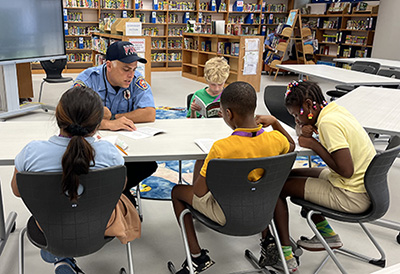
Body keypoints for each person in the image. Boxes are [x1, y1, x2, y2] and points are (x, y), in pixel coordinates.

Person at [11, 86, 141, 274]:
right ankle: (62, 260)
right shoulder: (111, 154)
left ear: (57, 117)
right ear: (98, 124)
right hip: (99, 226)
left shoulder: (31, 153)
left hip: (49, 228)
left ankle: (60, 258)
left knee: (53, 214)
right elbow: (119, 187)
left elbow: (16, 190)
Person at [171, 81, 295, 274]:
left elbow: (199, 192)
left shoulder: (221, 148)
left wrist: (204, 166)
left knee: (177, 191)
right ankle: (267, 240)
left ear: (228, 114)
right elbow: (291, 146)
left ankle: (196, 257)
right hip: (263, 211)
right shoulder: (276, 140)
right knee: (258, 184)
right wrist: (276, 123)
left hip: (228, 215)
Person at [257, 80, 376, 272]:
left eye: (297, 114)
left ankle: (285, 254)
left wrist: (314, 145)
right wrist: (303, 129)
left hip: (350, 194)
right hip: (359, 185)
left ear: (308, 105)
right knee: (288, 176)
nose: (296, 119)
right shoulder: (332, 110)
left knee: (275, 187)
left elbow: (346, 170)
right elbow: (301, 131)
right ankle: (327, 234)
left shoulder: (328, 123)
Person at [73, 41, 157, 206]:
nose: (131, 75)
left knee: (149, 164)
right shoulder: (88, 80)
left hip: (126, 147)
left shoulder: (136, 80)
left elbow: (149, 113)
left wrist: (115, 117)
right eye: (126, 69)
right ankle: (119, 194)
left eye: (134, 69)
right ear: (109, 65)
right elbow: (72, 116)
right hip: (93, 148)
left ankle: (116, 190)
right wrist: (107, 124)